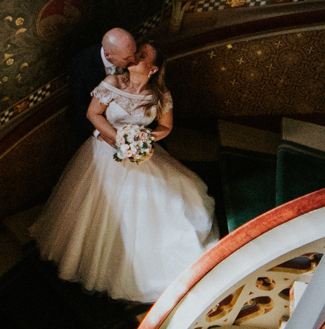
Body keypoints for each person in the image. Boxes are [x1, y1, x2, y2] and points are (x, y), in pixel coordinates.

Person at [33, 43, 217, 302]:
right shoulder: (112, 82)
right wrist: (119, 139)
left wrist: (144, 137)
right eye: (135, 52)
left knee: (160, 205)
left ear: (152, 69)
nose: (133, 57)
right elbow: (92, 113)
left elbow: (165, 126)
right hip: (103, 152)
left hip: (141, 154)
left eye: (141, 56)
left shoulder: (160, 94)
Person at [67, 28, 138, 134]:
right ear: (107, 55)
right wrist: (98, 132)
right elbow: (79, 103)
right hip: (95, 125)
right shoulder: (82, 65)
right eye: (126, 58)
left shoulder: (131, 52)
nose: (133, 60)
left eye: (134, 53)